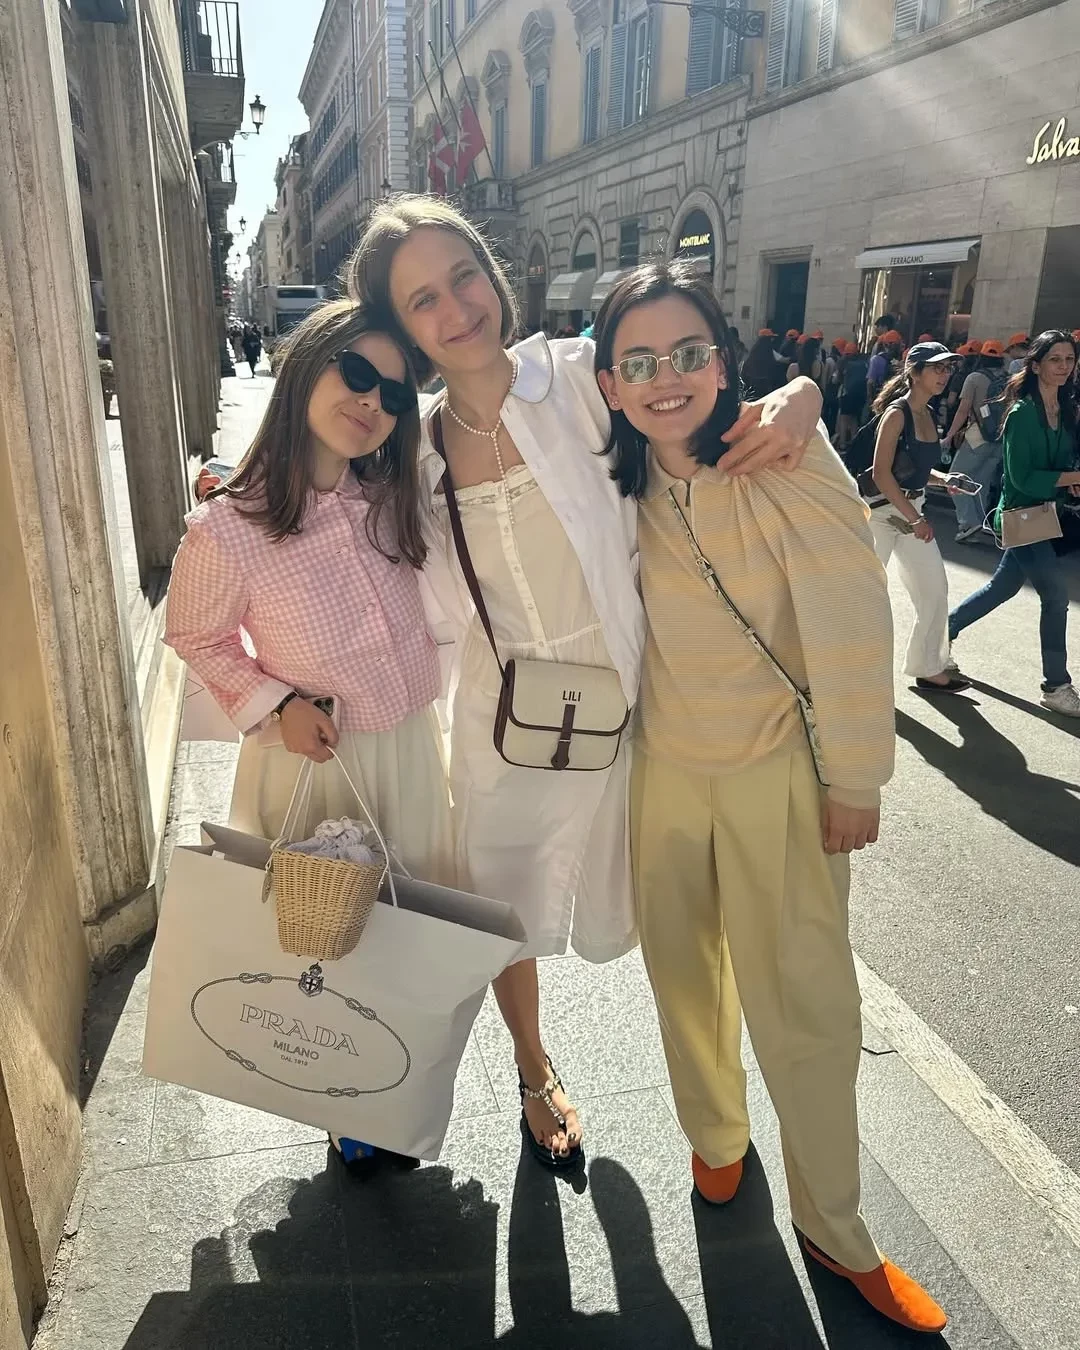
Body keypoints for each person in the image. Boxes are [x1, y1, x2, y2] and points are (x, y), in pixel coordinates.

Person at [346, 194, 822, 1168]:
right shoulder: (413, 448)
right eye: (424, 299)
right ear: (403, 327)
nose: (456, 308)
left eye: (464, 277)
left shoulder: (577, 377)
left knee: (674, 907)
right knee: (501, 914)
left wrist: (801, 395)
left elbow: (693, 393)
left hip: (636, 703)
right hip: (503, 719)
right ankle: (534, 1071)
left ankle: (713, 1106)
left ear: (494, 275)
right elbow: (330, 521)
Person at [592, 261, 947, 1336]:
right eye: (638, 362)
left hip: (777, 771)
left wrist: (856, 777)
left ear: (723, 361)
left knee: (808, 1009)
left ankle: (835, 1227)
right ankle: (716, 1136)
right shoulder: (609, 480)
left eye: (689, 353)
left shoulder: (785, 457)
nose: (666, 378)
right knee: (681, 976)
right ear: (607, 385)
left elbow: (852, 621)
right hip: (662, 769)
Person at [164, 300, 455, 1173]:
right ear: (307, 368)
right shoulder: (231, 525)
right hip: (313, 760)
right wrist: (275, 702)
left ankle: (393, 1084)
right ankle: (341, 1098)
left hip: (410, 746)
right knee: (323, 934)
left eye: (393, 394)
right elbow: (194, 634)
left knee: (408, 924)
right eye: (356, 374)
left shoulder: (390, 498)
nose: (372, 402)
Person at [949, 330, 1080, 717]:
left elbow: (1056, 465)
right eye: (1054, 359)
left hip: (1046, 514)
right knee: (1055, 597)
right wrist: (1072, 479)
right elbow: (1021, 479)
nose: (1063, 366)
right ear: (1035, 365)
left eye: (1069, 359)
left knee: (1001, 588)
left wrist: (1069, 483)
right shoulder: (1022, 413)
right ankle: (1056, 686)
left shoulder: (1066, 409)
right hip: (1022, 516)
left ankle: (940, 634)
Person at [867, 341, 973, 693]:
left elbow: (914, 469)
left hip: (911, 510)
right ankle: (847, 671)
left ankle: (928, 668)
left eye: (947, 368)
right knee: (864, 595)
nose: (944, 375)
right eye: (936, 368)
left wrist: (944, 479)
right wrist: (915, 519)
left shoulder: (928, 412)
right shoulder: (897, 414)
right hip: (879, 514)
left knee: (934, 590)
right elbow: (882, 473)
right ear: (914, 372)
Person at [944, 339, 1010, 542]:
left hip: (977, 437)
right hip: (1000, 438)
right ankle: (979, 523)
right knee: (981, 483)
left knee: (954, 478)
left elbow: (963, 410)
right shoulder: (1010, 378)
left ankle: (968, 523)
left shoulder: (974, 378)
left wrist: (949, 435)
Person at [835, 341, 869, 450]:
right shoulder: (863, 363)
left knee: (844, 419)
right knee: (854, 419)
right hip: (859, 395)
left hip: (846, 394)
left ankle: (842, 443)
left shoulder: (844, 363)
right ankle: (855, 444)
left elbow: (837, 379)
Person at [741, 328, 785, 399]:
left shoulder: (753, 352)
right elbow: (782, 360)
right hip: (766, 388)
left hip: (752, 388)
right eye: (771, 338)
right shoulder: (769, 352)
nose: (772, 340)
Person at [867, 330, 903, 406]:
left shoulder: (876, 359)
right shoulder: (901, 362)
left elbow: (870, 382)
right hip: (895, 399)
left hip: (880, 397)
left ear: (885, 345)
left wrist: (870, 399)